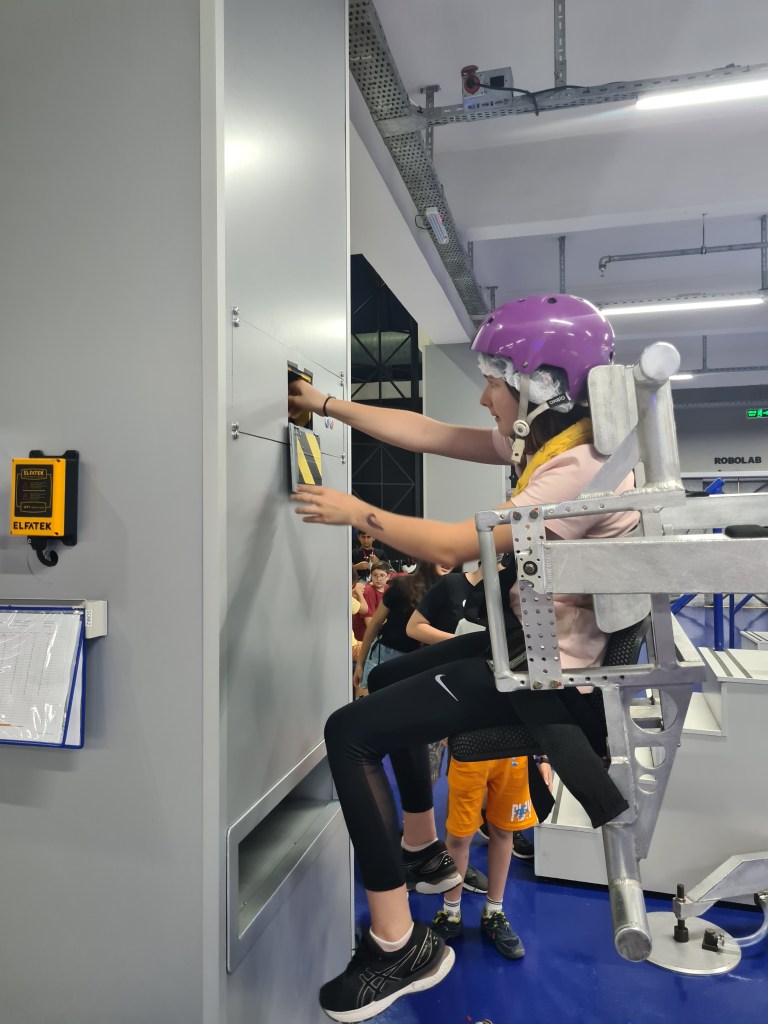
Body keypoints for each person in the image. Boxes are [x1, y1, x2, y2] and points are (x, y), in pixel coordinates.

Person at [288, 294, 639, 1022]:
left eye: (493, 381)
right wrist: (323, 403)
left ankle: (397, 945)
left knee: (348, 733)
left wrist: (358, 513)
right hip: (531, 645)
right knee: (387, 676)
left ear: (541, 387)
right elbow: (432, 434)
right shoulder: (557, 443)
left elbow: (454, 544)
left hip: (549, 677)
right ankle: (422, 846)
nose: (483, 397)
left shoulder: (579, 469)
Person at [354, 561, 450, 697]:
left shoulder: (451, 591)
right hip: (386, 655)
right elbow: (375, 623)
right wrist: (360, 664)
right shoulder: (402, 585)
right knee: (372, 703)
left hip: (423, 662)